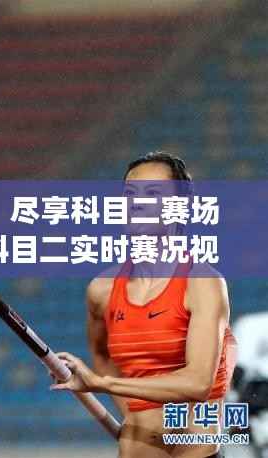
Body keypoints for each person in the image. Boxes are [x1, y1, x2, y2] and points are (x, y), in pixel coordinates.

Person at [50, 152, 237, 458]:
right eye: (129, 194)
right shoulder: (101, 290)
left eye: (152, 193)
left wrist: (102, 384)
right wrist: (133, 413)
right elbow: (101, 354)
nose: (136, 203)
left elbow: (198, 382)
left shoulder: (203, 282)